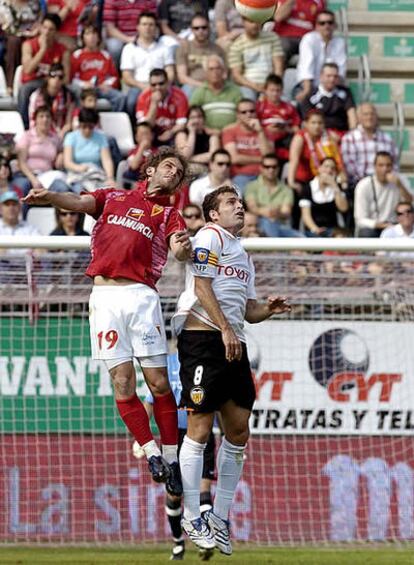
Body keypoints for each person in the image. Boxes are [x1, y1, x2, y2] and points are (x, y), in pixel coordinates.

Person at [23, 148, 192, 493]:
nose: (174, 174)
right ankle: (151, 453)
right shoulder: (113, 196)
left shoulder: (170, 214)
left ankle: (173, 459)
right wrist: (50, 196)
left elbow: (178, 249)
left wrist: (183, 249)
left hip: (142, 297)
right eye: (169, 167)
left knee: (159, 383)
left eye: (179, 173)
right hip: (104, 298)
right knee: (122, 383)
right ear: (150, 169)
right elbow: (77, 203)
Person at [172, 185, 291, 553]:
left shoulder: (243, 254)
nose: (239, 207)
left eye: (240, 203)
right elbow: (203, 285)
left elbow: (248, 311)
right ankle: (192, 514)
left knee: (239, 431)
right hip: (204, 338)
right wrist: (224, 327)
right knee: (200, 427)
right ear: (213, 214)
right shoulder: (210, 236)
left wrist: (267, 309)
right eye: (230, 203)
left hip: (232, 340)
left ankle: (220, 517)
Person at [132, 350, 217, 562]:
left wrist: (230, 439)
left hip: (201, 430)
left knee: (203, 491)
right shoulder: (166, 364)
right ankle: (178, 542)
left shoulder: (206, 361)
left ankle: (204, 539)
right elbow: (150, 401)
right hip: (174, 435)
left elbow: (220, 405)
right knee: (175, 494)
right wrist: (141, 440)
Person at [287, 109, 345, 228]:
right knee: (297, 198)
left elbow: (336, 159)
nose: (317, 126)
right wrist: (291, 181)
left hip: (323, 178)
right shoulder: (300, 137)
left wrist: (342, 175)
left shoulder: (328, 138)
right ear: (306, 124)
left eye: (320, 123)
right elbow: (294, 160)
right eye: (313, 123)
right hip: (303, 181)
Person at [18, 12, 70, 129]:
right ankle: (25, 128)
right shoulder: (28, 45)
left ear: (56, 32)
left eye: (51, 29)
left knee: (76, 91)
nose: (46, 32)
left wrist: (54, 80)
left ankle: (72, 124)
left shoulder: (63, 50)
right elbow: (27, 69)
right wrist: (43, 50)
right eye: (44, 27)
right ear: (40, 27)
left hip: (54, 83)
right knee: (24, 90)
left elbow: (66, 77)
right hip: (33, 82)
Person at [120, 12, 175, 121]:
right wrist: (143, 86)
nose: (147, 28)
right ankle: (136, 130)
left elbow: (170, 72)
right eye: (144, 24)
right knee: (131, 101)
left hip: (161, 85)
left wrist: (161, 86)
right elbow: (126, 76)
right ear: (138, 27)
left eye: (151, 25)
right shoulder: (129, 48)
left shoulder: (165, 48)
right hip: (138, 85)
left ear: (155, 27)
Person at [14, 105, 69, 201]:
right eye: (41, 116)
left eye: (48, 116)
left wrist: (61, 155)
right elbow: (21, 162)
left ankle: (62, 215)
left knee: (62, 188)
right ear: (35, 119)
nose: (45, 119)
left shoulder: (55, 138)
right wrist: (33, 179)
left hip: (47, 176)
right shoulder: (27, 136)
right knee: (22, 188)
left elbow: (61, 150)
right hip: (27, 175)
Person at [354, 151, 412, 237]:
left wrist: (400, 186)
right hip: (374, 227)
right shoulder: (364, 185)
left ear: (392, 167)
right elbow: (360, 219)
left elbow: (410, 203)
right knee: (366, 232)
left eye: (388, 165)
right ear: (375, 167)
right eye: (381, 165)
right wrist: (381, 225)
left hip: (396, 225)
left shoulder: (400, 180)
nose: (385, 169)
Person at [341, 102, 399, 189]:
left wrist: (382, 178)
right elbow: (350, 167)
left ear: (376, 117)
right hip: (359, 184)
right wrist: (370, 181)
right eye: (365, 114)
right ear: (359, 117)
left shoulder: (387, 139)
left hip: (384, 184)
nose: (369, 117)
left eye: (372, 114)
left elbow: (395, 163)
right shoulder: (350, 138)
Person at [222, 99, 274, 195]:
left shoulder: (265, 132)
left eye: (252, 111)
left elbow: (270, 158)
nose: (248, 114)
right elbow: (234, 158)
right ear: (238, 115)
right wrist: (261, 159)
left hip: (264, 176)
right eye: (244, 112)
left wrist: (260, 132)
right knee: (239, 196)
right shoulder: (230, 132)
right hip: (240, 176)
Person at [70, 24, 126, 112]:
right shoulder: (77, 55)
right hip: (84, 89)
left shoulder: (106, 55)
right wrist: (84, 84)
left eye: (94, 34)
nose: (91, 37)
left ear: (99, 37)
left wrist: (106, 84)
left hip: (101, 88)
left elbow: (114, 77)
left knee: (120, 97)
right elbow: (71, 78)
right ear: (83, 38)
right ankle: (81, 120)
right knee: (77, 94)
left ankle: (113, 122)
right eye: (88, 34)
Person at [295, 10, 346, 103]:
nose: (326, 26)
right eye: (322, 23)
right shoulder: (309, 39)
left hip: (331, 86)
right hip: (309, 86)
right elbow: (306, 67)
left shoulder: (340, 42)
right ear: (316, 26)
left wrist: (329, 90)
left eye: (330, 22)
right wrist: (307, 91)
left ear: (335, 25)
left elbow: (340, 71)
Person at [245, 154, 301, 237]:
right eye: (267, 167)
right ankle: (273, 250)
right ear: (261, 168)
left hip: (282, 226)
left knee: (301, 239)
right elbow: (252, 208)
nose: (271, 170)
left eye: (274, 167)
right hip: (258, 226)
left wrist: (274, 213)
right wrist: (271, 212)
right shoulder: (251, 186)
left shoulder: (286, 189)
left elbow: (286, 212)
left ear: (278, 169)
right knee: (268, 222)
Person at [228, 17, 284, 101]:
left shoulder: (272, 37)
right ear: (243, 22)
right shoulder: (237, 45)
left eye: (257, 21)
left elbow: (278, 67)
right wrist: (256, 87)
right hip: (248, 85)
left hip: (271, 83)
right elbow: (237, 75)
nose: (255, 25)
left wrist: (272, 87)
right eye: (251, 21)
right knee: (248, 99)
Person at [298, 63, 357, 138]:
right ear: (321, 77)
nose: (332, 79)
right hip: (318, 134)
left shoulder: (345, 92)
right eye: (328, 76)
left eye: (335, 76)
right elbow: (307, 121)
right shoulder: (311, 94)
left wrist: (353, 134)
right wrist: (327, 134)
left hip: (342, 134)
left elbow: (352, 114)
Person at [63, 108, 115, 192]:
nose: (87, 130)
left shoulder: (101, 137)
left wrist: (110, 177)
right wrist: (79, 168)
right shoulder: (70, 137)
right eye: (84, 126)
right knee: (81, 192)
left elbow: (107, 160)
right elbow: (67, 162)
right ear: (79, 124)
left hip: (96, 174)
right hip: (77, 175)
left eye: (90, 127)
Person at [176, 15, 225, 99]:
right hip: (192, 85)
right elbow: (182, 77)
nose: (200, 31)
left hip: (215, 85)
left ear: (209, 28)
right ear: (191, 30)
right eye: (196, 28)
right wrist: (203, 86)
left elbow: (224, 74)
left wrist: (212, 85)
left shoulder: (218, 49)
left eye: (204, 27)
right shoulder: (184, 48)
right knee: (186, 92)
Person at [135, 68, 188, 146]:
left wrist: (170, 132)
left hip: (173, 132)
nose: (157, 88)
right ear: (149, 85)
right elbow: (145, 126)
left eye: (161, 83)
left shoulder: (179, 95)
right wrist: (154, 104)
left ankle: (182, 157)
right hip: (152, 133)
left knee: (181, 136)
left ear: (167, 83)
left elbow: (182, 123)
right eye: (154, 85)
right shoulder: (143, 97)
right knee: (143, 132)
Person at [255, 73, 301, 163]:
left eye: (278, 90)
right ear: (265, 90)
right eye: (272, 90)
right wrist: (266, 129)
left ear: (282, 91)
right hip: (266, 139)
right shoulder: (259, 107)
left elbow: (296, 128)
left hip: (284, 139)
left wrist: (286, 129)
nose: (275, 93)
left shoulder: (289, 107)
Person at [0, 0, 42, 95]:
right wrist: (25, 34)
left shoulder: (35, 3)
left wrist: (35, 31)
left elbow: (39, 21)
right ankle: (10, 85)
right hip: (10, 36)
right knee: (14, 42)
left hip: (33, 35)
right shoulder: (4, 4)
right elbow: (8, 27)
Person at [190, 55, 242, 131]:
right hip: (207, 134)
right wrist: (207, 130)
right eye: (211, 69)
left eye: (218, 68)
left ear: (223, 71)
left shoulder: (235, 90)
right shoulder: (200, 92)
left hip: (231, 133)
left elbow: (243, 115)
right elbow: (192, 117)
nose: (215, 72)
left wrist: (229, 130)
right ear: (206, 72)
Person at [299, 157, 348, 237]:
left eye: (332, 168)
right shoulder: (308, 188)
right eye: (326, 166)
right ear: (319, 168)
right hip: (313, 230)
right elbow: (305, 215)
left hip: (334, 230)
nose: (329, 170)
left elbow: (343, 208)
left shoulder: (337, 188)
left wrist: (334, 186)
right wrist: (315, 229)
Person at [103, 0, 157, 68]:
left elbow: (152, 22)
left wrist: (141, 38)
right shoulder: (111, 1)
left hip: (143, 36)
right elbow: (110, 28)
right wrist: (128, 39)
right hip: (119, 37)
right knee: (114, 47)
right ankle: (116, 74)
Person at [28, 62, 74, 139]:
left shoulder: (67, 96)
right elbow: (33, 121)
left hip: (61, 134)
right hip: (40, 133)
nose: (56, 79)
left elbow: (68, 123)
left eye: (60, 77)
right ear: (48, 78)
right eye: (53, 75)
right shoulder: (36, 96)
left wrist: (61, 134)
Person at [175, 106, 221, 172]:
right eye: (192, 117)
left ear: (204, 119)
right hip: (185, 169)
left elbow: (213, 156)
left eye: (199, 117)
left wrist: (191, 159)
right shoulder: (181, 134)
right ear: (188, 120)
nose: (196, 120)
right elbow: (185, 155)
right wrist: (192, 133)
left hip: (206, 169)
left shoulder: (211, 136)